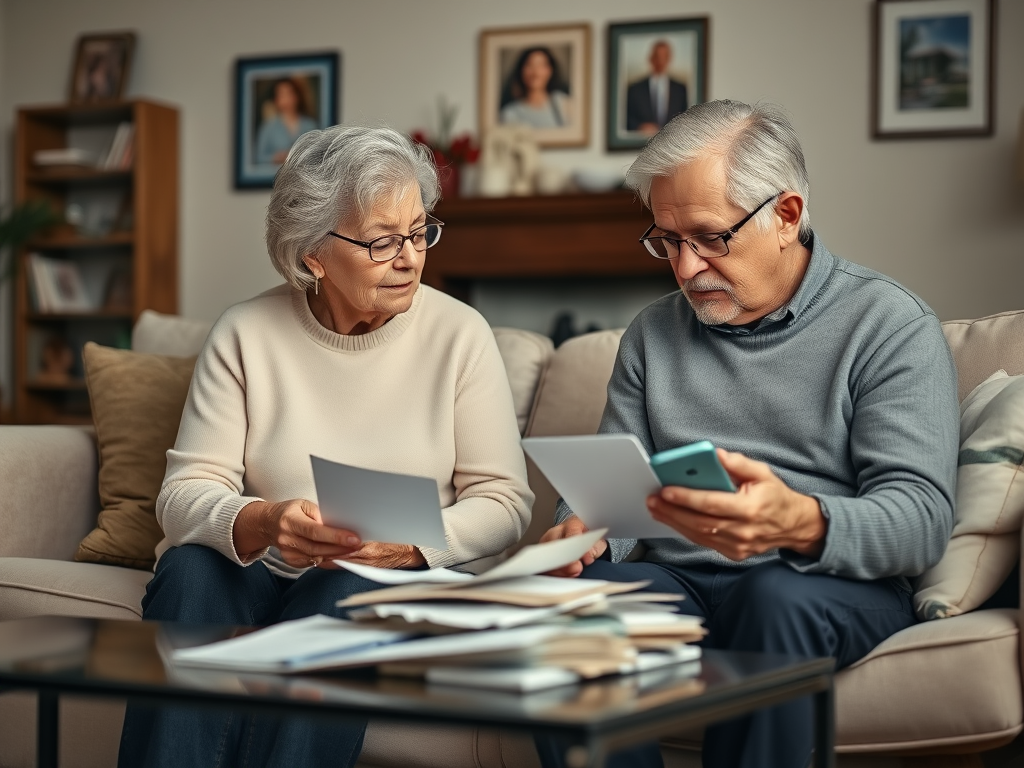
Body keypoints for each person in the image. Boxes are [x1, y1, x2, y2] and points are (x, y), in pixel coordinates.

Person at [536, 99, 959, 768]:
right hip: (681, 578)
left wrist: (800, 522)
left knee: (772, 595)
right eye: (667, 241)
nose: (684, 268)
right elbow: (614, 486)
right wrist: (579, 533)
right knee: (571, 607)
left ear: (785, 216)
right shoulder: (653, 334)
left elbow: (920, 520)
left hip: (821, 583)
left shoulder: (889, 325)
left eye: (708, 237)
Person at [118, 125, 534, 768]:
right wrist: (260, 520)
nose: (411, 259)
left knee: (339, 597)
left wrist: (409, 547)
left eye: (420, 232)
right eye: (383, 241)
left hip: (383, 581)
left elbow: (505, 502)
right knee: (188, 575)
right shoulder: (245, 333)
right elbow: (184, 494)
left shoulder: (461, 336)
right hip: (258, 568)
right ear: (313, 252)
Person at [499, 46, 573, 130]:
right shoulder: (510, 113)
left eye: (541, 65)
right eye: (530, 65)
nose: (535, 72)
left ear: (550, 70)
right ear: (521, 70)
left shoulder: (563, 102)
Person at [625, 40, 688, 135]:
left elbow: (686, 119)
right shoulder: (635, 89)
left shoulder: (680, 89)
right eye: (657, 57)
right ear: (651, 58)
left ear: (669, 59)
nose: (660, 61)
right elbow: (626, 119)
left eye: (664, 57)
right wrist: (639, 127)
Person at [255, 77, 318, 165]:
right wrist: (275, 158)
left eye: (289, 93)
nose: (286, 99)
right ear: (276, 100)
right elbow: (258, 157)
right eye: (281, 94)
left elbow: (317, 154)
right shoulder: (268, 127)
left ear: (297, 96)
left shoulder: (310, 124)